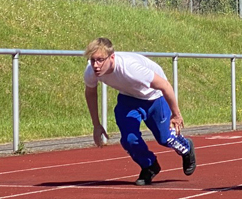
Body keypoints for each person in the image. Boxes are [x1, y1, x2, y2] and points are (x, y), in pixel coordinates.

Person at [83, 37, 196, 185]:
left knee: (165, 138)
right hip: (128, 98)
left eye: (100, 60)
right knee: (129, 139)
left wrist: (176, 114)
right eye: (92, 60)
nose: (96, 65)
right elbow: (90, 93)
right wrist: (96, 124)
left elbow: (165, 86)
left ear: (112, 57)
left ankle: (186, 147)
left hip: (154, 96)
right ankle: (149, 165)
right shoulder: (91, 71)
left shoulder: (131, 68)